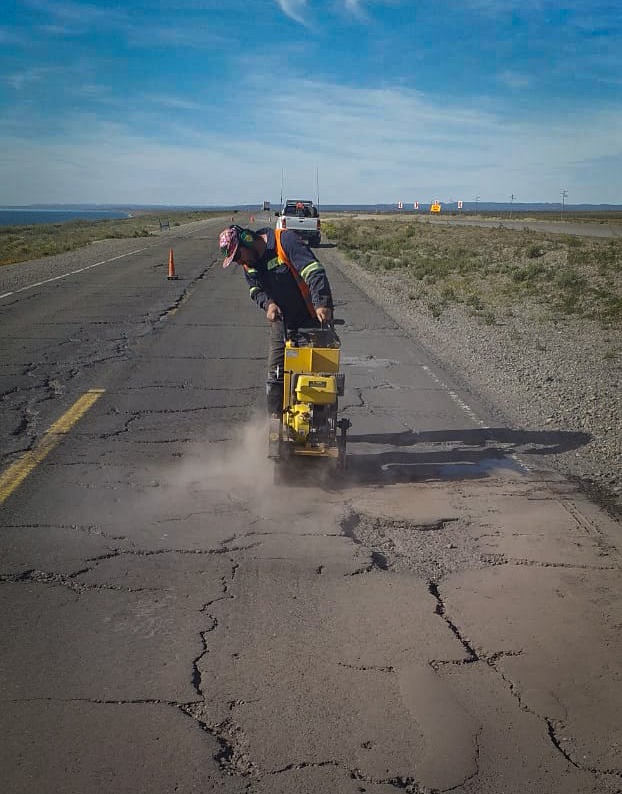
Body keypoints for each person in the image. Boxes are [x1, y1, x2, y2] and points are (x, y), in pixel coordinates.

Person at [219, 224, 334, 416]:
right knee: (276, 377)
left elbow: (313, 271)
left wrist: (321, 303)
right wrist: (268, 304)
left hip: (312, 317)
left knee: (318, 376)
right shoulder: (249, 265)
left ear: (247, 240)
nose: (239, 262)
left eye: (238, 256)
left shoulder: (284, 241)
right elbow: (255, 290)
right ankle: (277, 426)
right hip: (282, 322)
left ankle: (319, 426)